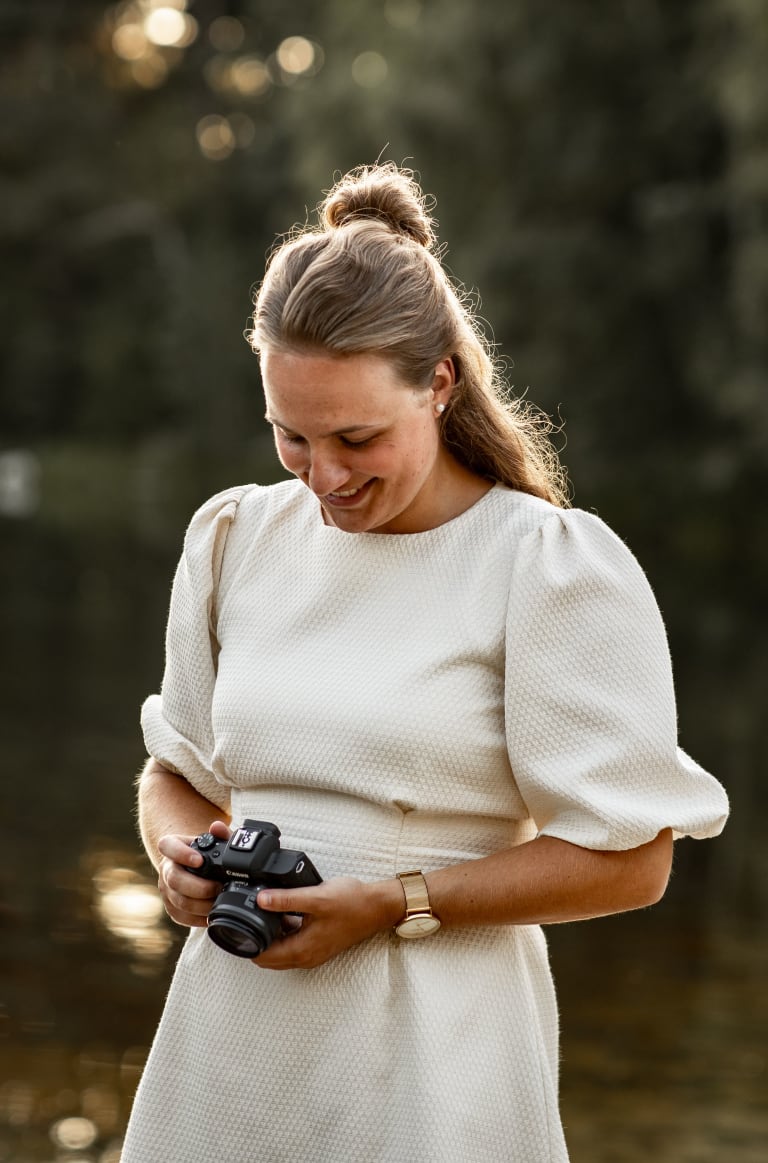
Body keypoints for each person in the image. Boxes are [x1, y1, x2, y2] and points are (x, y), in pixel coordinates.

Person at [121, 163, 729, 1163]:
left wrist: (396, 902)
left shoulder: (542, 564)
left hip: (436, 1059)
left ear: (440, 380)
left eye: (356, 436)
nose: (323, 475)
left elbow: (633, 859)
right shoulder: (234, 537)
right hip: (231, 1042)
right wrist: (176, 856)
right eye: (290, 434)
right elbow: (176, 771)